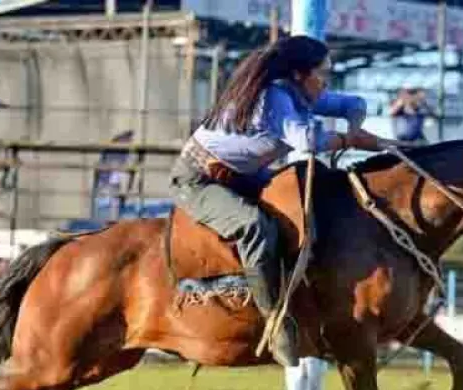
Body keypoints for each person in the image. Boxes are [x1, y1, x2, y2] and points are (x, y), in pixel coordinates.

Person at [171, 35, 406, 367]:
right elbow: (307, 141)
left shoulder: (301, 94)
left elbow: (354, 104)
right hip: (198, 179)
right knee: (253, 226)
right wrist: (349, 138)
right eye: (322, 73)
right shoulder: (274, 98)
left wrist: (352, 127)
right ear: (299, 74)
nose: (327, 80)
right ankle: (275, 322)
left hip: (242, 177)